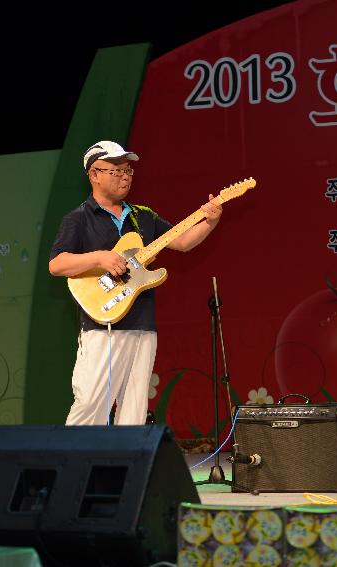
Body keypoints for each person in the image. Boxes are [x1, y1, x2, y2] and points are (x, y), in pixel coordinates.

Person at [49, 140, 222, 426]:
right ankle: (72, 464)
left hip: (142, 323)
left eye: (128, 170)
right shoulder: (79, 218)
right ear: (94, 174)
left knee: (135, 407)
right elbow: (56, 264)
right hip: (102, 325)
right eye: (116, 171)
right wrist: (100, 258)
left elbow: (182, 242)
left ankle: (123, 467)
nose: (125, 176)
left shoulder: (143, 216)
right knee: (91, 404)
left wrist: (210, 221)